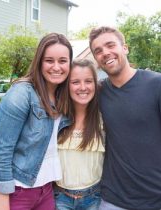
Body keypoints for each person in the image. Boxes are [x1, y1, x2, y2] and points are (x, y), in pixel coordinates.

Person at [89, 26, 161, 210]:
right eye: (98, 51)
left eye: (110, 45)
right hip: (112, 201)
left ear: (125, 48)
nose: (105, 53)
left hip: (160, 200)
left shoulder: (159, 84)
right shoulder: (97, 92)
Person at [0, 32, 73, 210]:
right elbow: (0, 156)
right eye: (49, 60)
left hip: (45, 190)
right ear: (39, 62)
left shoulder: (63, 97)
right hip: (14, 191)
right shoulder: (21, 94)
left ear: (70, 63)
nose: (56, 67)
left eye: (62, 61)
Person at [54, 58, 105, 210]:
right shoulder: (56, 117)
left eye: (88, 81)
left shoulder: (104, 117)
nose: (83, 87)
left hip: (94, 197)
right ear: (67, 85)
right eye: (75, 82)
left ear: (95, 84)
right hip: (60, 197)